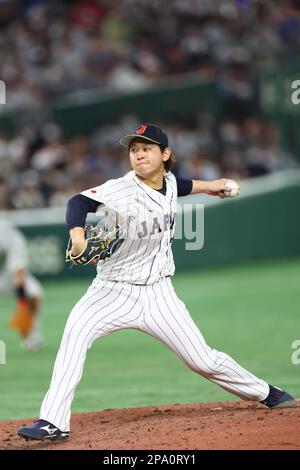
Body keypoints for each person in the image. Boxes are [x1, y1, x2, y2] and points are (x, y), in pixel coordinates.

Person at [17, 123, 295, 441]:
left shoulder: (170, 183)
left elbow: (183, 185)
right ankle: (53, 422)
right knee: (74, 338)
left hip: (159, 293)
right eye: (134, 150)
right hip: (111, 290)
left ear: (164, 154)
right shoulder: (122, 188)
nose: (138, 154)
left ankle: (266, 393)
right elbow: (78, 203)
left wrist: (213, 185)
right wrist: (78, 236)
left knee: (202, 360)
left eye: (146, 148)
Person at [0, 218, 44, 350]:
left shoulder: (9, 233)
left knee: (34, 292)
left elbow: (18, 272)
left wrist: (22, 303)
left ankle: (31, 336)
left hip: (7, 275)